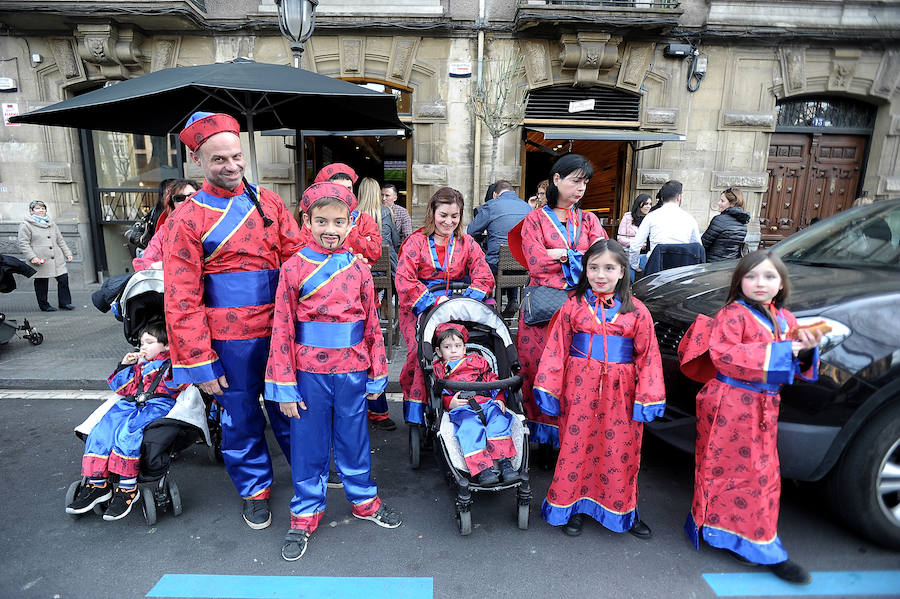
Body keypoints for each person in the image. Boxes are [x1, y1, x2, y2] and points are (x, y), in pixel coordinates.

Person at [162, 111, 303, 531]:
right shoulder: (186, 217)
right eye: (219, 159)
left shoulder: (270, 201)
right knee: (239, 417)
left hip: (278, 329)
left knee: (291, 407)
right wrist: (199, 362)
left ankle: (306, 475)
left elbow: (296, 258)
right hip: (226, 339)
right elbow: (180, 297)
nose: (232, 165)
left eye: (236, 156)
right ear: (199, 161)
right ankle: (255, 489)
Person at [265, 181, 401, 561]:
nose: (330, 229)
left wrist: (377, 372)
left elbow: (373, 325)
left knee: (354, 438)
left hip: (353, 370)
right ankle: (305, 511)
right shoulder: (292, 268)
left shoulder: (359, 268)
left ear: (351, 222)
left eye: (339, 222)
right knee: (308, 443)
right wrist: (285, 386)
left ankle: (363, 500)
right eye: (321, 220)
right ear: (305, 220)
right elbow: (281, 328)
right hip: (308, 373)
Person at [680, 250, 823, 585]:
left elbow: (794, 364)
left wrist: (806, 351)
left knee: (761, 473)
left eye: (770, 276)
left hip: (764, 406)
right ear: (739, 281)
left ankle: (757, 540)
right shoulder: (732, 314)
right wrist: (788, 351)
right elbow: (724, 355)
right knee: (727, 469)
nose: (761, 283)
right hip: (728, 404)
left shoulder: (785, 319)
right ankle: (726, 533)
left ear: (781, 283)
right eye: (752, 276)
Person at [533, 239, 664, 538]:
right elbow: (557, 348)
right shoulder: (573, 306)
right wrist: (549, 388)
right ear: (585, 270)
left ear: (622, 272)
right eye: (593, 267)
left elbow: (649, 356)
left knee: (620, 451)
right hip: (579, 390)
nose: (600, 275)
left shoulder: (637, 312)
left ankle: (624, 512)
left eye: (609, 268)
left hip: (621, 393)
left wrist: (648, 396)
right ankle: (574, 507)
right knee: (575, 448)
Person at [515, 154, 607, 457]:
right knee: (539, 368)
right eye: (575, 180)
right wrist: (576, 256)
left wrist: (562, 254)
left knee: (575, 372)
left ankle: (571, 436)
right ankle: (540, 437)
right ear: (557, 179)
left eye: (585, 182)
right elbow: (537, 263)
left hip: (581, 311)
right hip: (545, 311)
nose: (581, 188)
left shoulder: (590, 219)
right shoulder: (534, 218)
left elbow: (603, 259)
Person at [395, 187, 494, 426]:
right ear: (432, 213)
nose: (449, 222)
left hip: (458, 305)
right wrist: (433, 301)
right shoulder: (415, 242)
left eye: (455, 216)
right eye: (443, 215)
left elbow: (484, 276)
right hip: (422, 305)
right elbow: (404, 279)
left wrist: (467, 300)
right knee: (418, 353)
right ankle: (418, 412)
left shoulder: (467, 242)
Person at [65, 321, 184, 521]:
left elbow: (177, 384)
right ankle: (97, 484)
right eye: (141, 343)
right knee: (103, 428)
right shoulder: (139, 365)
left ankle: (128, 487)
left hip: (157, 405)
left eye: (149, 342)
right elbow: (123, 389)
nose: (143, 347)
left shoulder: (172, 364)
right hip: (132, 403)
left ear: (166, 345)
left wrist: (169, 362)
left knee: (128, 432)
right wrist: (125, 366)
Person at [432, 323, 519, 485]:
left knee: (499, 420)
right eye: (447, 347)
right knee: (469, 429)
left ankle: (504, 461)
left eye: (457, 346)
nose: (453, 351)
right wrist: (450, 403)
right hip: (462, 407)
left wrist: (500, 398)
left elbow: (493, 381)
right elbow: (439, 393)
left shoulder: (477, 361)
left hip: (486, 401)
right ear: (438, 351)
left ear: (465, 348)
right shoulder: (440, 370)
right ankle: (482, 469)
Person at [357, 176, 399, 431]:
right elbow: (392, 243)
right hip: (382, 275)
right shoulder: (386, 213)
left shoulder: (353, 216)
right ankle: (387, 311)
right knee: (372, 340)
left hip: (362, 278)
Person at [467, 180, 532, 317]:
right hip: (523, 264)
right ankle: (513, 299)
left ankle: (488, 301)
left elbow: (471, 231)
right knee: (512, 255)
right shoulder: (527, 207)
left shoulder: (492, 204)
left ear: (495, 194)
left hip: (497, 262)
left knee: (485, 262)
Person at [629, 180, 702, 273]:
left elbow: (635, 246)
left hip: (655, 267)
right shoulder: (690, 219)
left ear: (662, 199)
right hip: (681, 269)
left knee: (631, 263)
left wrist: (635, 266)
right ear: (679, 197)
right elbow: (698, 247)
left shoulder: (651, 216)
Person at [17, 200, 74, 311]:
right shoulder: (26, 225)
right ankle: (44, 305)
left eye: (42, 208)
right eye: (37, 208)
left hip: (56, 258)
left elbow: (60, 240)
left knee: (63, 278)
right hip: (40, 258)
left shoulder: (51, 223)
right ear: (31, 211)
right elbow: (23, 243)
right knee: (41, 282)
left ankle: (65, 303)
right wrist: (32, 257)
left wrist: (68, 253)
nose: (41, 210)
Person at [132, 178, 198, 271]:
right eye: (179, 198)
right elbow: (142, 263)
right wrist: (161, 266)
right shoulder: (165, 231)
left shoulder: (212, 224)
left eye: (193, 196)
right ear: (172, 205)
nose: (187, 201)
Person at [702, 187, 751, 262]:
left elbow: (703, 244)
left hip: (712, 265)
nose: (719, 203)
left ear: (732, 204)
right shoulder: (743, 223)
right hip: (729, 266)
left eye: (722, 201)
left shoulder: (719, 220)